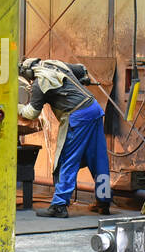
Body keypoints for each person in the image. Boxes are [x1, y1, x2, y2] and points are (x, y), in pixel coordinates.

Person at [18, 57, 111, 218]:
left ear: (28, 72)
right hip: (94, 108)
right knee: (99, 159)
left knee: (67, 159)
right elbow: (81, 69)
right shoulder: (55, 63)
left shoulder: (40, 84)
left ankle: (59, 205)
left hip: (78, 116)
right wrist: (82, 80)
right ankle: (104, 201)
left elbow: (31, 113)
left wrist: (17, 107)